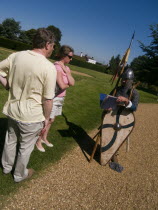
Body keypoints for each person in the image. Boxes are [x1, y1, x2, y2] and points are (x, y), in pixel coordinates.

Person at [0, 28, 57, 182]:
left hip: (13, 111)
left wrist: (7, 85)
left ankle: (6, 167)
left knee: (10, 139)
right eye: (53, 46)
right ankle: (19, 175)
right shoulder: (49, 67)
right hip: (32, 116)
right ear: (47, 44)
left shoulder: (16, 56)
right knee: (25, 147)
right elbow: (48, 99)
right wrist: (46, 118)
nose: (53, 49)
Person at [36, 45, 75, 152]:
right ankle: (38, 141)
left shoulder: (67, 68)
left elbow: (73, 82)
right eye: (70, 57)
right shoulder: (57, 67)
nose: (71, 59)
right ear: (64, 55)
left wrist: (67, 73)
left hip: (61, 98)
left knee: (51, 120)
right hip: (53, 97)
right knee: (47, 120)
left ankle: (44, 138)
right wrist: (68, 84)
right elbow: (62, 85)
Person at [108, 68, 139, 172]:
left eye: (126, 79)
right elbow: (108, 99)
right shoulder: (117, 89)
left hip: (124, 119)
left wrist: (126, 100)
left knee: (118, 137)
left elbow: (134, 107)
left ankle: (114, 153)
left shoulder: (134, 93)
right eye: (123, 79)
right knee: (108, 133)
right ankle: (106, 150)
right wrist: (108, 105)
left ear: (131, 80)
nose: (123, 81)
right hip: (112, 116)